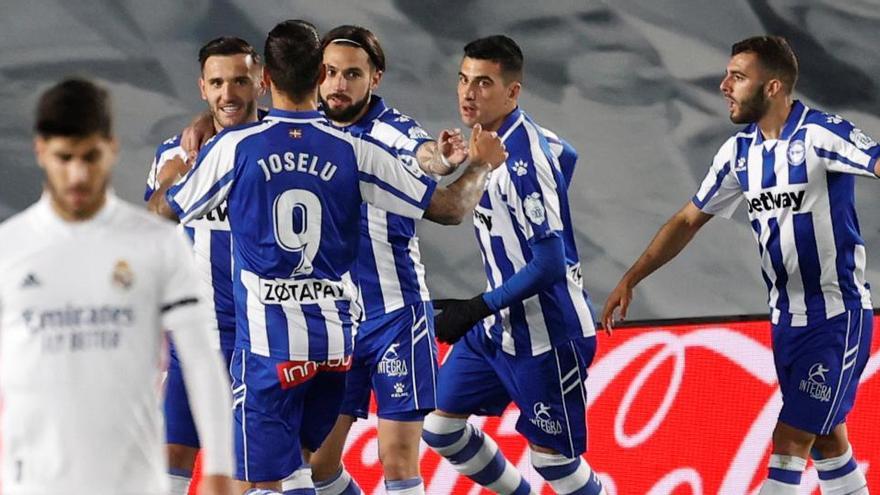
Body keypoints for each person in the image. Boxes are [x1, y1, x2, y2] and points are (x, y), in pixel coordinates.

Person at [147, 19, 506, 494]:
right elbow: (449, 207)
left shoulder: (233, 150)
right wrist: (480, 163)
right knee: (305, 468)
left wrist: (173, 176)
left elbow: (160, 213)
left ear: (265, 81)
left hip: (272, 346)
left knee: (264, 478)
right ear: (320, 75)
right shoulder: (353, 149)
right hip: (337, 347)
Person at [601, 36, 873, 495]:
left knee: (789, 440)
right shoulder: (738, 152)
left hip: (836, 319)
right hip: (786, 324)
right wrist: (632, 277)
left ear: (771, 87)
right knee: (828, 442)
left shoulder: (822, 133)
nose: (723, 85)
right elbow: (688, 219)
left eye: (738, 77)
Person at [0, 78, 234, 494]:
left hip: (132, 481)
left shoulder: (156, 243)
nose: (77, 174)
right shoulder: (9, 249)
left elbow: (201, 361)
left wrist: (218, 465)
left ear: (112, 148)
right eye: (63, 157)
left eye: (90, 157)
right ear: (40, 152)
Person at [421, 35, 605, 495]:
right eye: (464, 80)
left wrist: (477, 306)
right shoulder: (491, 143)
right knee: (441, 430)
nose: (468, 93)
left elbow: (549, 266)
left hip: (548, 337)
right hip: (499, 330)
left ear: (513, 92)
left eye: (483, 83)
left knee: (554, 463)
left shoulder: (523, 162)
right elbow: (570, 154)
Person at [304, 25, 467, 495]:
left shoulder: (391, 127)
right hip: (333, 320)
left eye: (351, 74)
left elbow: (423, 156)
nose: (338, 84)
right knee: (318, 466)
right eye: (329, 73)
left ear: (375, 77)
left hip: (396, 315)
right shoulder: (303, 125)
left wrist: (444, 158)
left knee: (396, 460)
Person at [144, 35, 264, 495]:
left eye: (239, 80)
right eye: (217, 83)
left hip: (258, 339)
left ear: (262, 81)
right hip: (193, 337)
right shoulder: (172, 154)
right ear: (202, 87)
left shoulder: (277, 148)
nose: (228, 94)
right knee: (172, 455)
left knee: (251, 469)